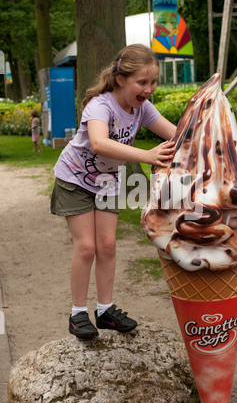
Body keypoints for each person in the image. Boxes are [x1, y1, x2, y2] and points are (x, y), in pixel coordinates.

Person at [50, 44, 176, 339]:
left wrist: (210, 133)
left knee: (107, 246)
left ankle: (104, 310)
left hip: (106, 181)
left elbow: (177, 133)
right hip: (75, 179)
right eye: (142, 82)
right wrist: (148, 155)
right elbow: (99, 143)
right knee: (87, 247)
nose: (149, 88)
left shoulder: (142, 108)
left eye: (153, 82)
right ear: (121, 80)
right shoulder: (101, 106)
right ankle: (77, 313)